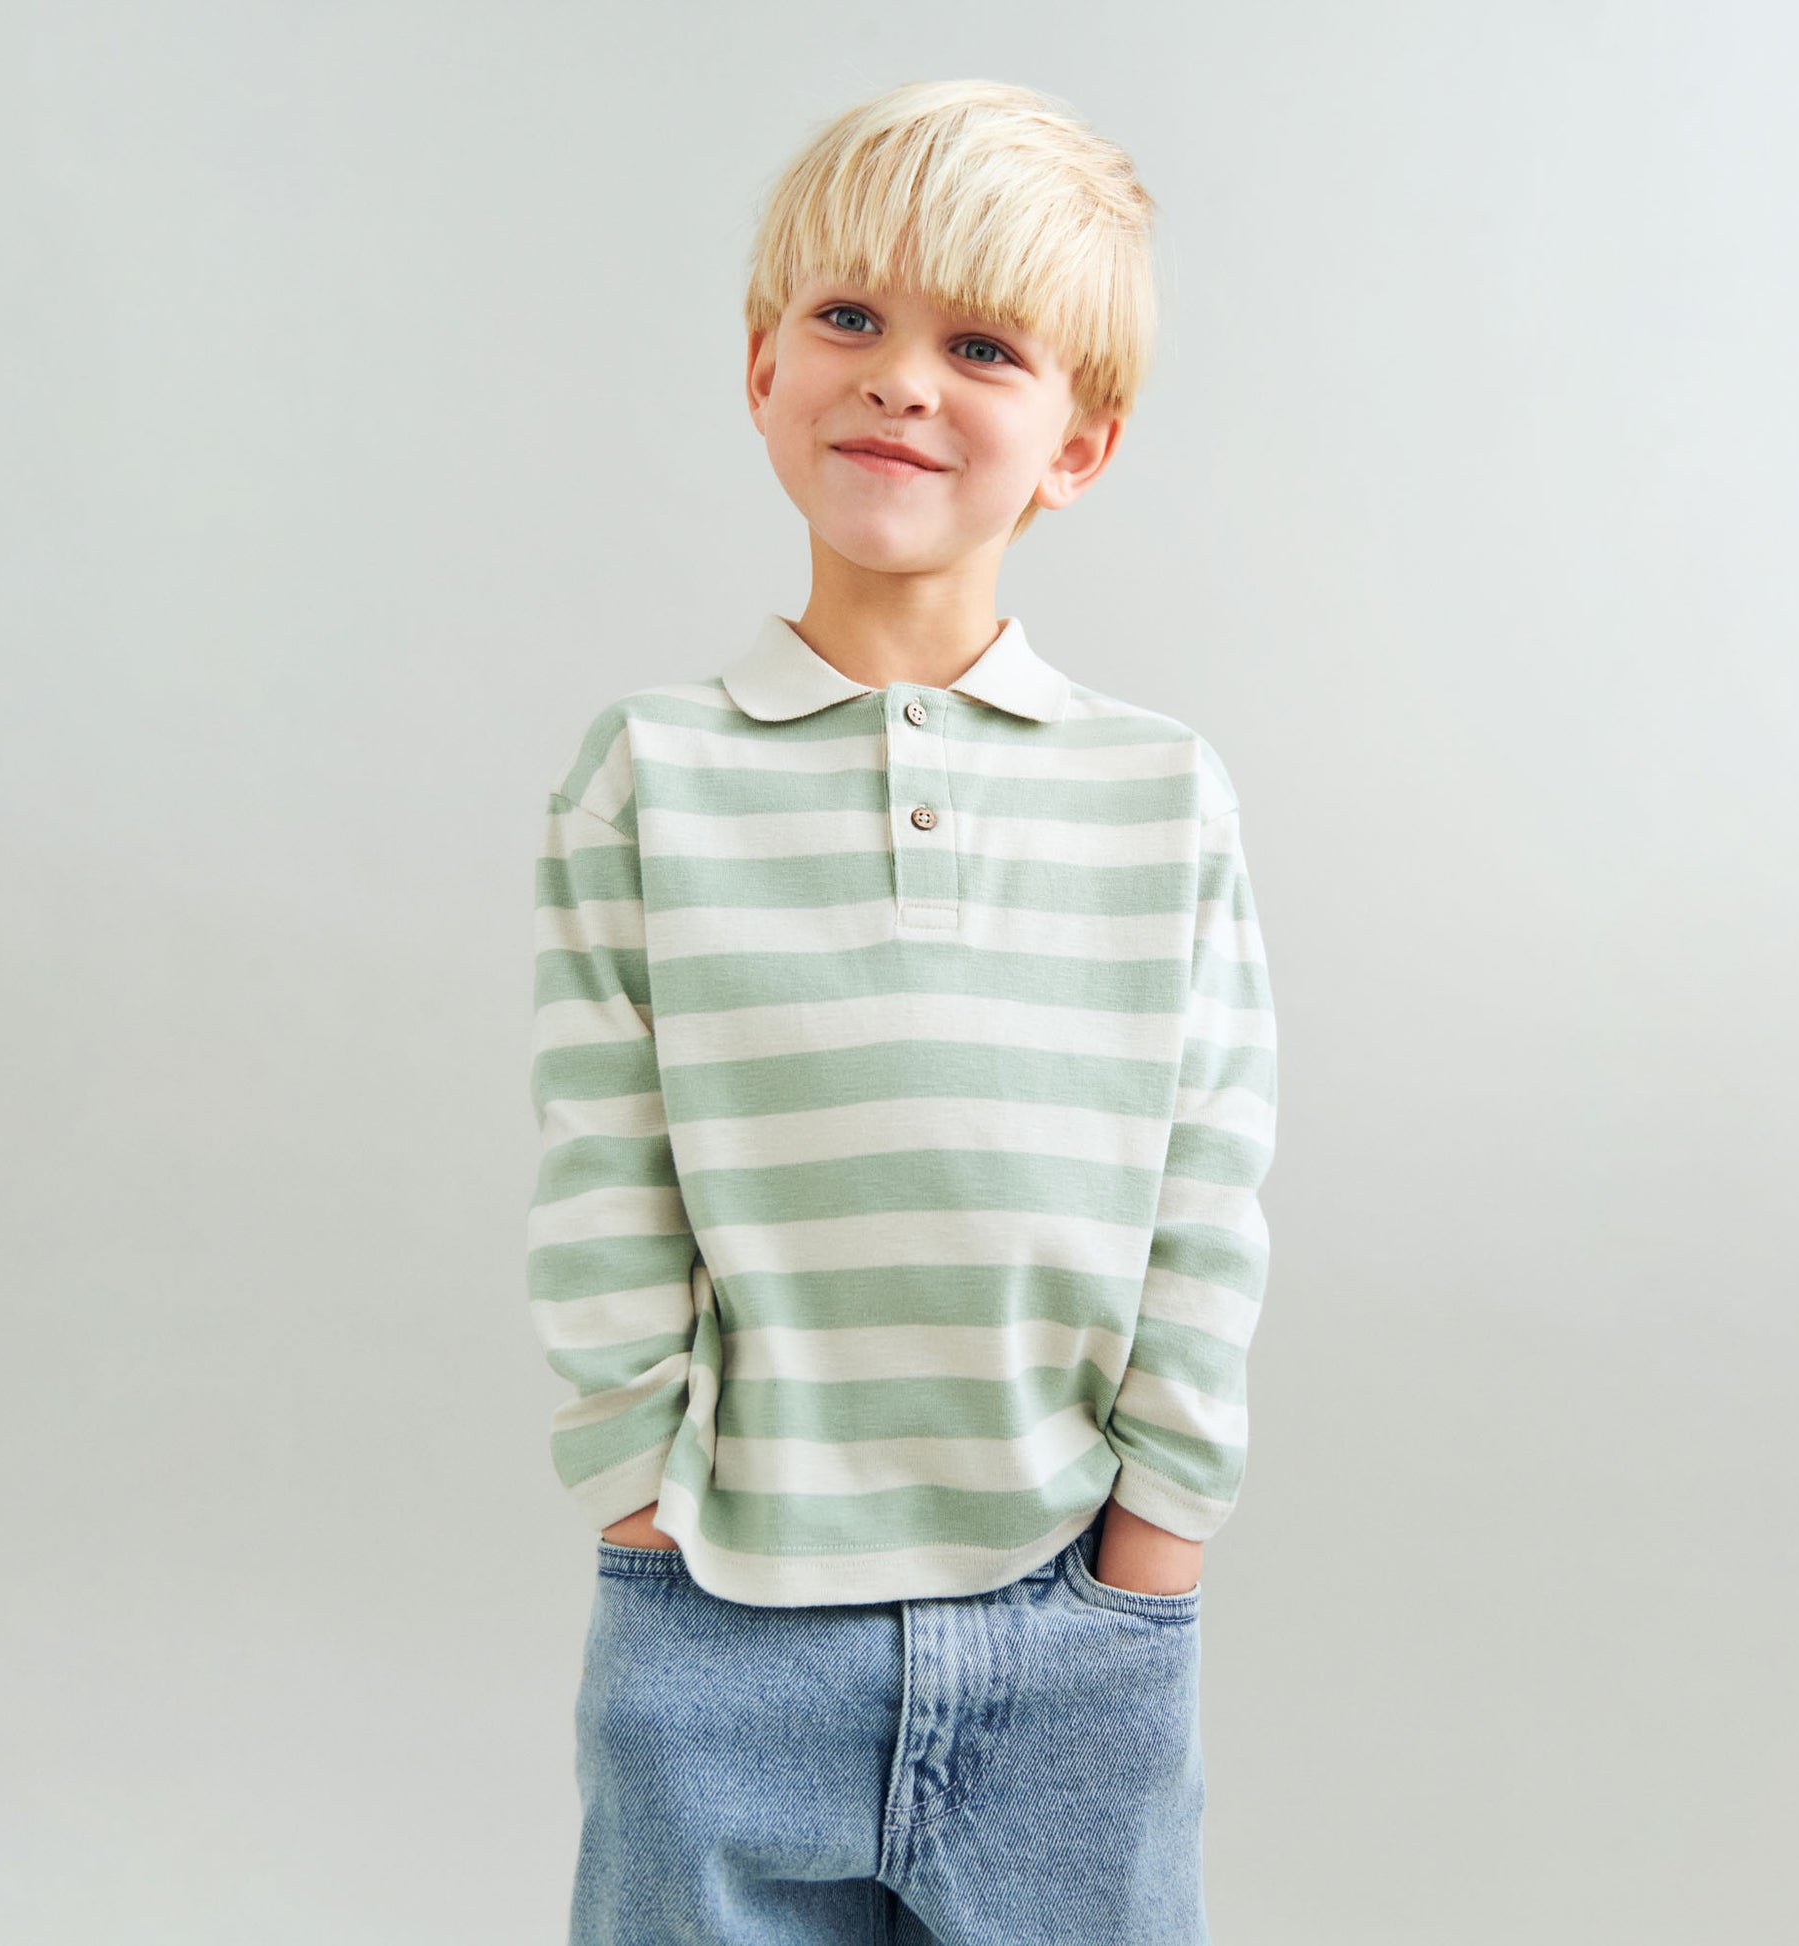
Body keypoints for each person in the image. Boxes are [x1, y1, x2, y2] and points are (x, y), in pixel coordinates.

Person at [526, 76, 1278, 1945]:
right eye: (850, 317)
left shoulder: (1160, 792)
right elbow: (603, 1175)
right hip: (718, 1624)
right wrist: (636, 1512)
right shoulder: (648, 775)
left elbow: (1208, 1191)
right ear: (762, 364)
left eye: (982, 346)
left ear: (1077, 444)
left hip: (1072, 1632)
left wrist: (1151, 1556)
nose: (900, 382)